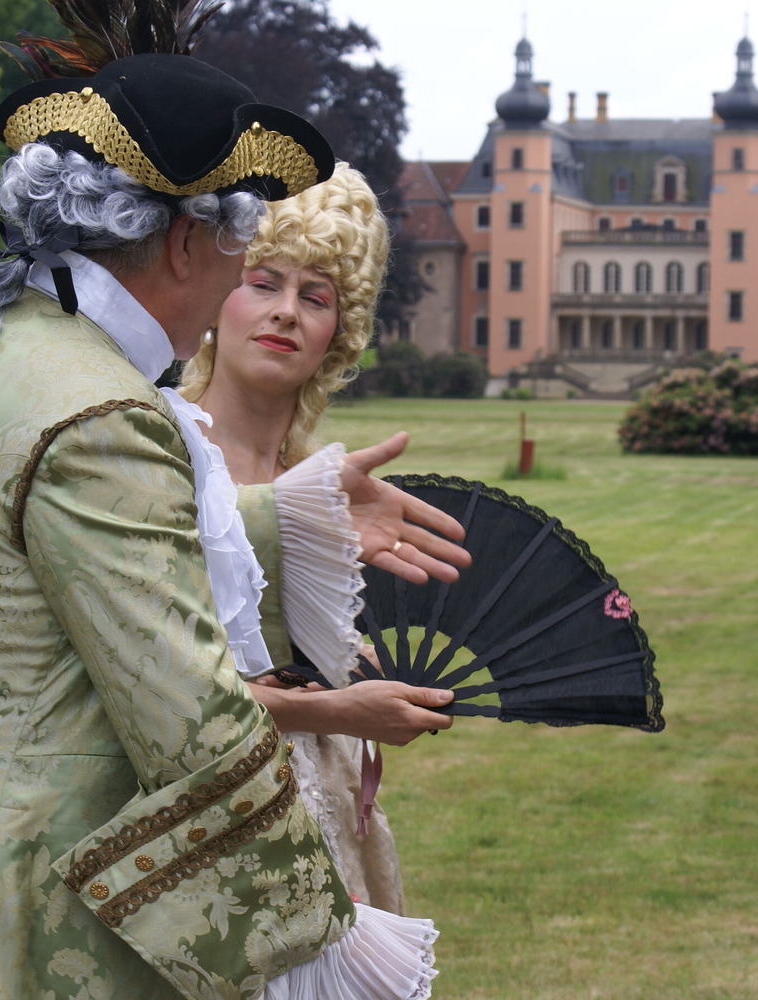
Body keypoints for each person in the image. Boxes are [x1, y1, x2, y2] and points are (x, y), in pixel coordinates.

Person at [0, 11, 467, 999]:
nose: (234, 282)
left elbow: (8, 563)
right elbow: (194, 726)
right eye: (240, 251)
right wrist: (323, 944)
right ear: (185, 243)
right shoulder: (104, 414)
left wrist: (290, 518)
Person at [179, 165, 453, 915]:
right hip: (198, 822)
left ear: (341, 331)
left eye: (316, 296)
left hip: (322, 807)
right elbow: (162, 682)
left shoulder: (322, 485)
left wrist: (348, 667)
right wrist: (338, 708)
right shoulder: (156, 448)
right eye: (262, 282)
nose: (286, 312)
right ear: (218, 294)